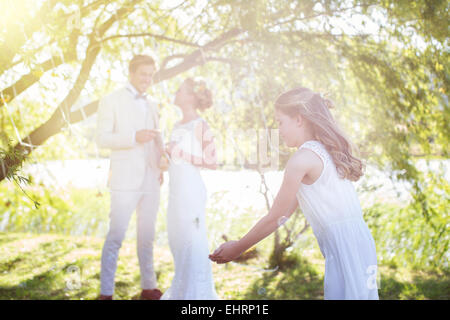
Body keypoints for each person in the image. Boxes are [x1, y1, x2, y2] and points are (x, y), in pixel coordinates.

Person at [209, 87, 379, 300]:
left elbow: (274, 218)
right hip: (359, 242)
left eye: (280, 122)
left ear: (299, 120)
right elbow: (283, 215)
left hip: (345, 247)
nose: (278, 130)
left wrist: (238, 247)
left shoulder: (302, 159)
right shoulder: (323, 151)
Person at [95, 55, 164, 300]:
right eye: (144, 74)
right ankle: (106, 293)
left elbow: (158, 137)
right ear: (131, 73)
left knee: (147, 235)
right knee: (116, 236)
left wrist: (161, 160)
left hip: (151, 178)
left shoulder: (154, 102)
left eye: (151, 75)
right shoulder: (111, 100)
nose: (148, 79)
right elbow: (102, 139)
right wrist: (134, 136)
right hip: (124, 180)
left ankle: (149, 287)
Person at [161, 78, 219, 300]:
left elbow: (212, 161)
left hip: (191, 192)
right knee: (177, 241)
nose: (175, 93)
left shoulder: (200, 125)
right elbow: (175, 161)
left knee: (192, 242)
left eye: (180, 90)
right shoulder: (176, 125)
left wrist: (180, 153)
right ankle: (182, 292)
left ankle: (197, 297)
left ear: (191, 97)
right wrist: (164, 157)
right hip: (175, 192)